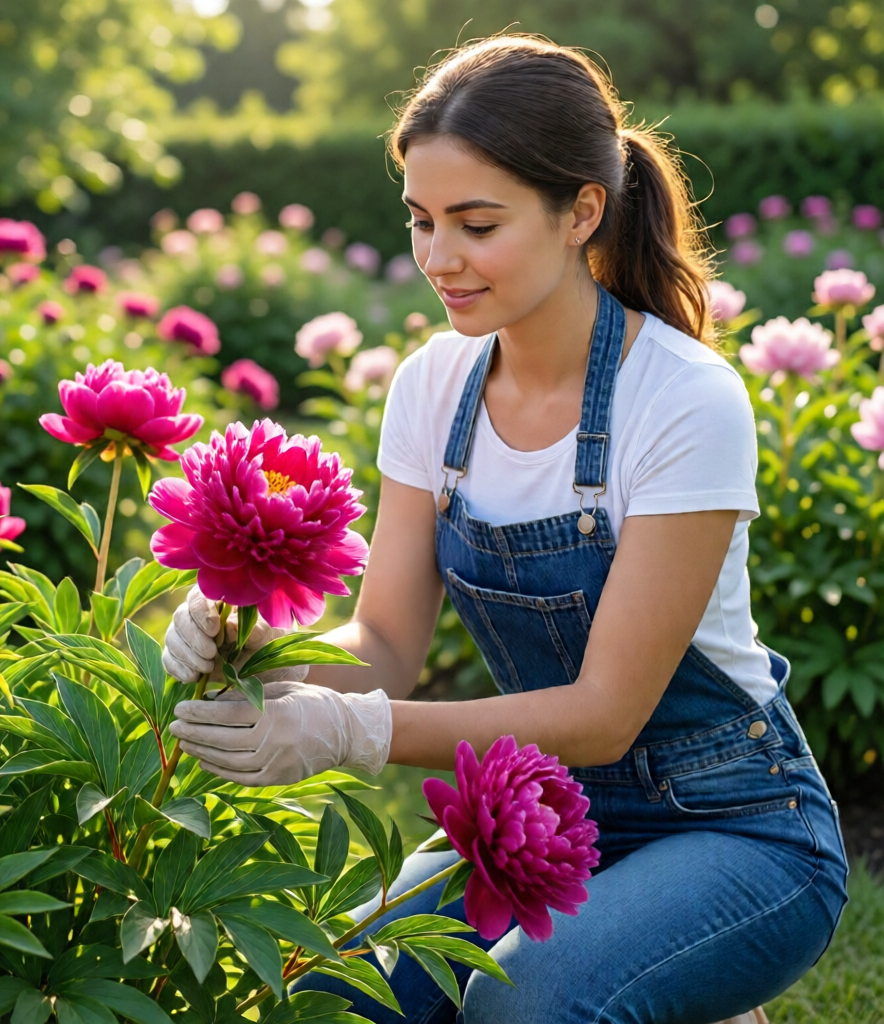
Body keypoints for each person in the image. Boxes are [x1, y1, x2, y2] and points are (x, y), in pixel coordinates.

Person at [161, 35, 848, 1024]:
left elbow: (606, 714)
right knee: (331, 997)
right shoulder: (432, 387)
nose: (439, 259)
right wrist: (259, 649)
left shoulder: (683, 398)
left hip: (739, 827)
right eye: (421, 220)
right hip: (541, 823)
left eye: (476, 224)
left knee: (517, 1005)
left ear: (581, 212)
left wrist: (353, 731)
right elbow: (385, 642)